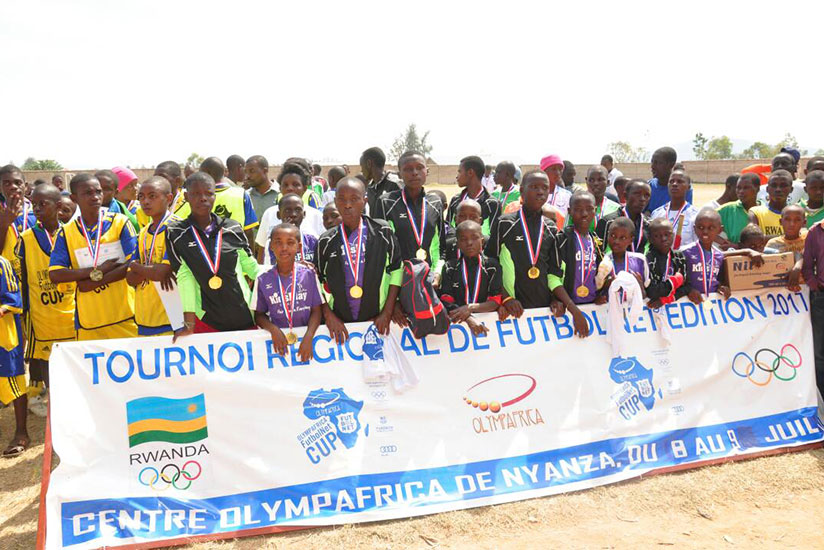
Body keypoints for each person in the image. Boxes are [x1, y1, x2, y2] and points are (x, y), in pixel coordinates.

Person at [165, 172, 260, 336]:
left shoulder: (232, 228)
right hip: (206, 320)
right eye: (196, 194)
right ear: (186, 196)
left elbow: (252, 268)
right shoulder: (176, 233)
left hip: (245, 315)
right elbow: (184, 275)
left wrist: (291, 270)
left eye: (208, 193)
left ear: (214, 196)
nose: (203, 198)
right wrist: (189, 323)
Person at [49, 173, 138, 340]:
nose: (95, 197)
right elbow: (55, 274)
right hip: (89, 322)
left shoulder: (120, 223)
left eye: (98, 192)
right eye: (88, 193)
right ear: (74, 198)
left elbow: (134, 264)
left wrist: (94, 281)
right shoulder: (66, 232)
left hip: (126, 316)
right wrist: (96, 271)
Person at [314, 177, 403, 342]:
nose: (348, 205)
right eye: (342, 199)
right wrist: (328, 315)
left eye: (354, 199)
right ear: (335, 201)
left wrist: (387, 312)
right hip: (340, 322)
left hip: (378, 318)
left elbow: (397, 270)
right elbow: (316, 280)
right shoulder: (325, 241)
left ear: (365, 201)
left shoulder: (383, 231)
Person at [16, 183, 76, 418]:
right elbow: (23, 278)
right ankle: (55, 409)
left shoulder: (73, 234)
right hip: (42, 315)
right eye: (34, 205)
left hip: (71, 312)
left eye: (43, 204)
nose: (37, 209)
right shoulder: (26, 238)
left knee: (73, 363)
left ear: (59, 206)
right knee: (47, 364)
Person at [485, 171, 563, 320]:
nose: (540, 192)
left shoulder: (551, 228)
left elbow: (553, 269)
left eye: (545, 188)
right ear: (522, 191)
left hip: (543, 308)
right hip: (512, 308)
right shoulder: (504, 223)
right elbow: (489, 264)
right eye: (534, 187)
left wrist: (554, 298)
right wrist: (506, 298)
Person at [253, 223, 324, 362]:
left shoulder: (309, 274)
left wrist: (309, 336)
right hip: (278, 342)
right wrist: (273, 331)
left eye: (290, 243)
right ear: (271, 246)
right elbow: (259, 315)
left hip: (308, 338)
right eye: (278, 243)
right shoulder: (262, 279)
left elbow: (317, 310)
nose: (284, 248)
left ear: (299, 247)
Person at [374, 151, 445, 282]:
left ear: (427, 171)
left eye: (419, 167)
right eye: (408, 169)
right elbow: (380, 246)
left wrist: (437, 273)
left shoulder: (435, 202)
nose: (414, 172)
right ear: (400, 173)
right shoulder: (386, 202)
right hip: (399, 279)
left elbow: (441, 244)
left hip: (429, 278)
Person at [125, 177, 177, 336]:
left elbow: (161, 273)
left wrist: (135, 266)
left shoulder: (177, 228)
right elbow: (130, 279)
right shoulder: (143, 233)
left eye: (152, 196)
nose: (145, 201)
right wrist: (148, 270)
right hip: (144, 318)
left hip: (172, 319)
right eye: (141, 197)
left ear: (168, 198)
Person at [546, 192, 601, 336]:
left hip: (591, 307)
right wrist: (573, 309)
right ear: (569, 212)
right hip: (569, 308)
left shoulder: (596, 240)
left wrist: (601, 293)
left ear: (596, 210)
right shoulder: (561, 239)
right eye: (578, 209)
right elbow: (552, 278)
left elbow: (598, 273)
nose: (584, 214)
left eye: (589, 209)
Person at [176, 157, 259, 247]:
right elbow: (249, 232)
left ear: (207, 173)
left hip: (200, 255)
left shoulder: (192, 198)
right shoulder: (242, 194)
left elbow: (176, 227)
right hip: (236, 254)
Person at [438, 220, 502, 336]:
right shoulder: (449, 267)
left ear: (482, 241)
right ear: (457, 244)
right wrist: (468, 317)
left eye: (474, 238)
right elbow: (447, 301)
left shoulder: (492, 266)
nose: (469, 243)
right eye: (463, 239)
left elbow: (494, 301)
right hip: (458, 327)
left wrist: (470, 308)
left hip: (487, 325)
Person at [256, 162, 325, 255]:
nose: (290, 188)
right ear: (280, 188)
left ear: (304, 188)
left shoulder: (316, 216)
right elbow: (262, 248)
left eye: (296, 184)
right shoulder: (269, 213)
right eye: (285, 185)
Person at [0, 254, 27, 457]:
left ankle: (21, 433)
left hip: (4, 336)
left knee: (14, 383)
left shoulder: (2, 264)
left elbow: (14, 299)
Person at [682, 208, 730, 306]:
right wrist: (689, 290)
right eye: (700, 227)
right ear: (694, 229)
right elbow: (678, 280)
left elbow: (717, 279)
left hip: (711, 305)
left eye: (711, 228)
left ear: (720, 230)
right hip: (689, 303)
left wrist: (721, 287)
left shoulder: (719, 255)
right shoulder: (685, 252)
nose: (705, 231)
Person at [801, 211, 824, 397]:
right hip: (821, 298)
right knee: (819, 353)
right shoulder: (816, 231)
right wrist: (815, 285)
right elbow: (807, 266)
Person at [598, 217, 650, 297]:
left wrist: (640, 286)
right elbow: (597, 294)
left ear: (631, 240)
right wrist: (605, 288)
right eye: (613, 235)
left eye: (623, 238)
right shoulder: (602, 261)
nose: (616, 241)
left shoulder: (640, 260)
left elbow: (645, 295)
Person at [645, 218, 691, 308]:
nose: (663, 239)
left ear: (673, 235)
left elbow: (687, 286)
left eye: (667, 234)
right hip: (650, 310)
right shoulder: (647, 259)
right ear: (650, 239)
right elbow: (652, 291)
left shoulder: (679, 257)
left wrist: (666, 299)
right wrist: (674, 281)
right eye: (657, 236)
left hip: (673, 307)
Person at [259, 195, 317, 265]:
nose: (293, 214)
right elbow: (269, 269)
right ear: (279, 215)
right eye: (287, 210)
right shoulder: (272, 242)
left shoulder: (312, 241)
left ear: (304, 214)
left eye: (298, 210)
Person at [597, 180, 651, 254]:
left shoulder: (648, 224)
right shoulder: (608, 222)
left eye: (646, 195)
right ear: (625, 195)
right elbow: (598, 253)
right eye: (637, 194)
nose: (642, 199)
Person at [0, 165, 38, 272]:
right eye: (7, 183)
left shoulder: (37, 212)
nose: (13, 187)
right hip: (8, 281)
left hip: (35, 279)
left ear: (25, 187)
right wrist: (4, 224)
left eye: (18, 183)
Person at [651, 169, 699, 248]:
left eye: (680, 182)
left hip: (685, 259)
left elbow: (697, 245)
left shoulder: (696, 215)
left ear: (688, 187)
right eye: (671, 181)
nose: (674, 184)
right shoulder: (657, 213)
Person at [717, 173, 761, 249]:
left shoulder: (764, 209)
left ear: (757, 189)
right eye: (738, 188)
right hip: (734, 258)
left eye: (746, 188)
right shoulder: (727, 209)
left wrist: (738, 246)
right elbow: (702, 225)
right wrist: (723, 242)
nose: (741, 191)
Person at [647, 147, 693, 213]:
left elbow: (685, 212)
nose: (652, 166)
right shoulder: (649, 186)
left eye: (658, 163)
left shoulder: (682, 188)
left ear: (671, 164)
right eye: (652, 162)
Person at [749, 170, 792, 238]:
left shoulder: (798, 213)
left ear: (791, 189)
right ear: (767, 189)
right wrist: (789, 237)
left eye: (783, 185)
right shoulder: (756, 212)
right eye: (774, 185)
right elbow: (753, 238)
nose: (778, 189)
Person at [361, 147, 401, 216]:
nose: (361, 171)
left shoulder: (394, 184)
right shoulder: (371, 188)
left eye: (362, 166)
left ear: (369, 163)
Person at [244, 155, 279, 225]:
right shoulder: (246, 197)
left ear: (265, 171)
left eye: (252, 171)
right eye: (246, 172)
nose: (247, 176)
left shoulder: (281, 193)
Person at [585, 165, 620, 231]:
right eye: (591, 180)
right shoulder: (576, 207)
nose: (595, 183)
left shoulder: (617, 209)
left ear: (608, 182)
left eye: (600, 179)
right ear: (586, 181)